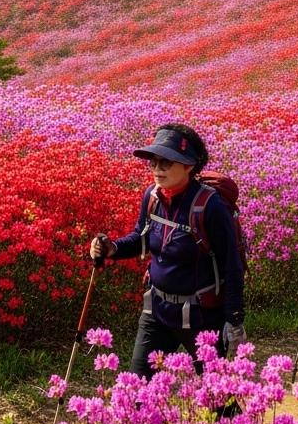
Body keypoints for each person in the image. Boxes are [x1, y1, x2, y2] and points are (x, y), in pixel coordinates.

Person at [90, 124, 246, 378]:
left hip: (202, 319)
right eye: (154, 162)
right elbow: (141, 238)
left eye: (166, 162)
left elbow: (232, 264)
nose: (157, 169)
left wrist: (234, 318)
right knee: (135, 395)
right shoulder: (152, 197)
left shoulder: (210, 206)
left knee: (219, 402)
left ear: (188, 166)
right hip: (157, 312)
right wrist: (112, 248)